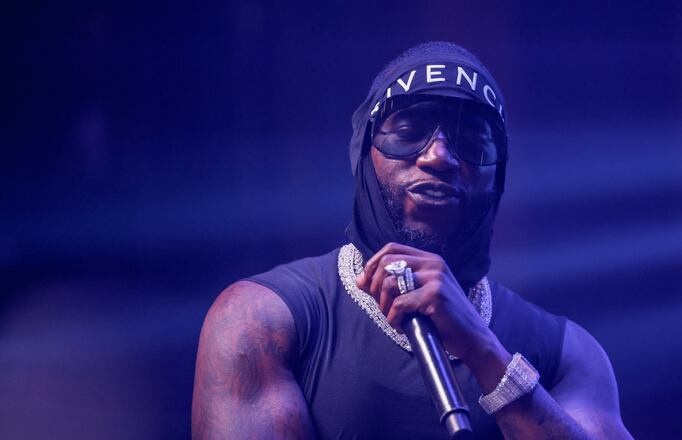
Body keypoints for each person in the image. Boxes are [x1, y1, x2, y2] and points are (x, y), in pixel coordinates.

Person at [192, 41, 633, 439]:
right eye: (407, 132)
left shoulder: (566, 351)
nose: (438, 156)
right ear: (364, 155)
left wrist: (483, 351)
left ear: (498, 178)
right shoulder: (260, 318)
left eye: (472, 142)